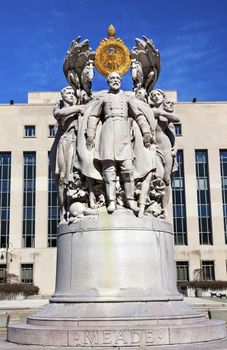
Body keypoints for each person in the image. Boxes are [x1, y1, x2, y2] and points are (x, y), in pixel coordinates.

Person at [85, 72, 152, 213]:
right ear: (108, 82)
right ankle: (111, 201)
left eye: (117, 78)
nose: (115, 81)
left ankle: (130, 200)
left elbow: (138, 115)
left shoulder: (127, 98)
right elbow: (93, 116)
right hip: (107, 132)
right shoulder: (103, 98)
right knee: (109, 171)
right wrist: (90, 134)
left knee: (128, 169)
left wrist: (146, 131)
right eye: (112, 79)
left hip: (123, 133)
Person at [50, 86, 84, 220]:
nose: (70, 95)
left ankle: (72, 207)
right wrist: (78, 108)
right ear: (62, 96)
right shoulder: (60, 109)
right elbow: (59, 114)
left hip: (77, 143)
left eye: (72, 93)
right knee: (63, 178)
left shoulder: (80, 108)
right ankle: (63, 209)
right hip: (65, 143)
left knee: (75, 177)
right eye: (68, 93)